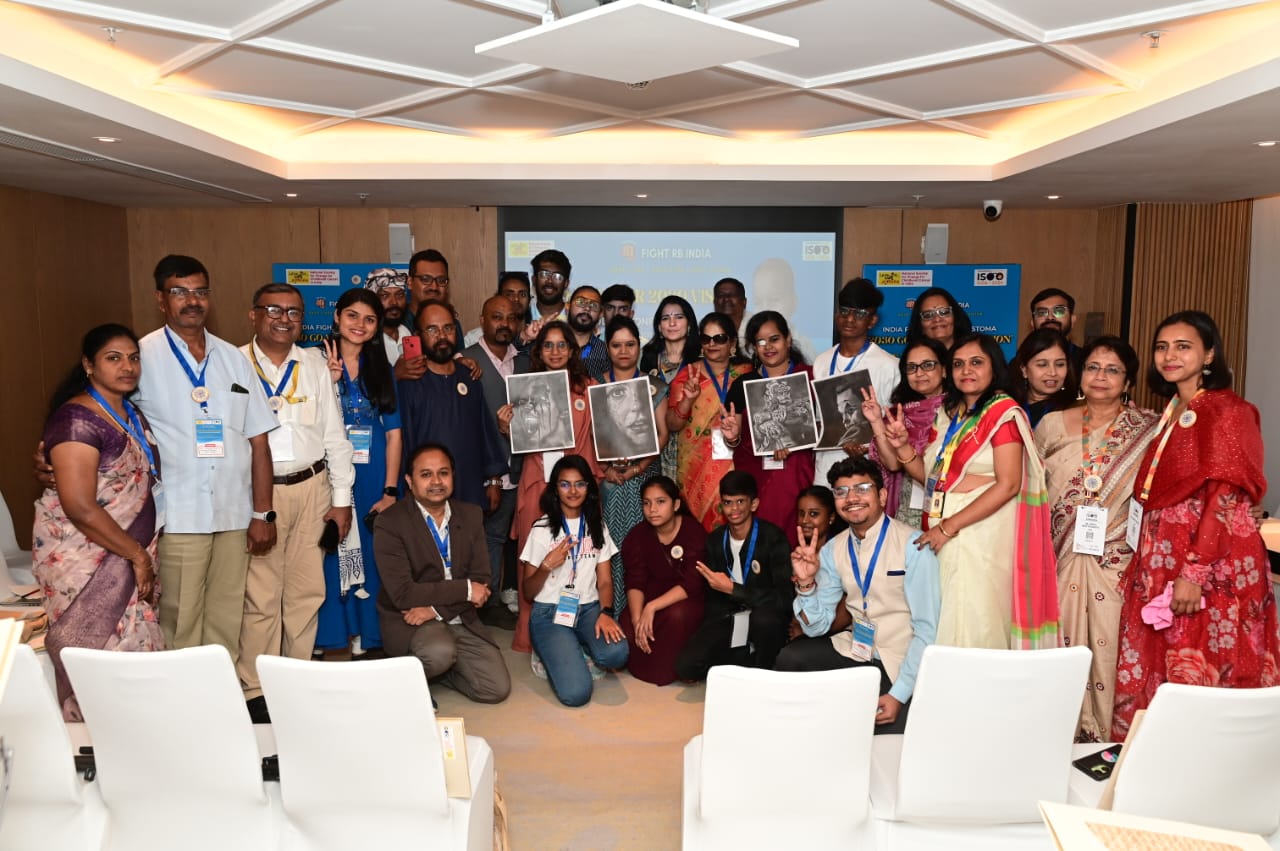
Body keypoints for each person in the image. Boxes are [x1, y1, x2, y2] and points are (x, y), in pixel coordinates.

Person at [1112, 311, 1280, 740]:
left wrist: (1194, 572)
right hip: (1165, 554)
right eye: (1162, 347)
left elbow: (1224, 496)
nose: (1169, 355)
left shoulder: (1228, 410)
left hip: (1209, 563)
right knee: (1163, 661)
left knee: (1205, 662)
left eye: (1183, 346)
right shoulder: (1174, 410)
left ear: (1208, 355)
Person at [137, 256, 277, 658]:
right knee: (180, 620)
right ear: (160, 299)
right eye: (180, 292)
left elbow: (259, 441)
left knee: (226, 618)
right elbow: (106, 415)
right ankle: (179, 696)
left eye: (200, 291)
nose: (192, 301)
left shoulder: (233, 358)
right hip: (179, 516)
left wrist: (263, 513)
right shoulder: (141, 357)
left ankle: (219, 692)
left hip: (234, 514)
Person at [881, 333, 1058, 649]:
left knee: (974, 622)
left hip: (980, 534)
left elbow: (1009, 484)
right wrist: (903, 446)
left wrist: (948, 528)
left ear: (994, 367)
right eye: (958, 364)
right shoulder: (949, 413)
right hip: (942, 529)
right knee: (944, 618)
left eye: (976, 362)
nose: (966, 370)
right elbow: (933, 479)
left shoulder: (1002, 414)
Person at [34, 324, 165, 720]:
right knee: (98, 654)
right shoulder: (76, 420)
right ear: (89, 365)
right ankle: (92, 738)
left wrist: (138, 554)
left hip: (128, 548)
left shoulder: (130, 412)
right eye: (114, 358)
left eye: (133, 358)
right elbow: (79, 506)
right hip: (85, 556)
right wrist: (137, 556)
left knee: (136, 651)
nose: (127, 366)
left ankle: (136, 733)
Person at [238, 283, 355, 722]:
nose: (284, 319)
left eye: (293, 312)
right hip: (257, 492)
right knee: (261, 595)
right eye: (273, 310)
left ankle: (297, 679)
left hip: (312, 488)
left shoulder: (315, 364)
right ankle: (256, 689)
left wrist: (341, 501)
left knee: (307, 591)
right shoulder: (233, 362)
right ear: (254, 315)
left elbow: (334, 435)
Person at [1035, 336, 1158, 742]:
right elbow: (1032, 490)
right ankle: (1061, 737)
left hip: (1117, 559)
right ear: (1080, 374)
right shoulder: (1053, 424)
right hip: (1059, 554)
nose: (1100, 376)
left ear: (1128, 382)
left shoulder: (1149, 430)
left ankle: (1108, 738)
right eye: (1092, 367)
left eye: (1112, 370)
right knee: (1062, 648)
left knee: (1111, 647)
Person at [777, 458, 942, 734]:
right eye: (841, 492)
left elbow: (927, 630)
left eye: (862, 489)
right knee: (791, 659)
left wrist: (899, 694)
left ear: (882, 496)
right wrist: (806, 584)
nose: (851, 498)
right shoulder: (833, 549)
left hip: (898, 660)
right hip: (855, 649)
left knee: (879, 734)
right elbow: (816, 627)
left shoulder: (914, 546)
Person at [374, 443, 511, 703]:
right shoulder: (390, 522)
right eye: (426, 474)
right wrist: (465, 590)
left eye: (443, 473)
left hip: (457, 615)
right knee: (438, 652)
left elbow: (482, 580)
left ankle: (440, 673)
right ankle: (407, 677)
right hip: (413, 620)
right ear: (409, 481)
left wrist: (436, 609)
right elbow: (403, 593)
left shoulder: (470, 515)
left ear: (453, 476)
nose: (436, 481)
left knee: (495, 689)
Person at [502, 320, 604, 653]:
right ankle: (531, 635)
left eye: (562, 345)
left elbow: (600, 438)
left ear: (572, 350)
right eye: (548, 345)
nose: (555, 351)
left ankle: (576, 632)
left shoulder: (588, 388)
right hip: (537, 483)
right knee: (534, 558)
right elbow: (520, 438)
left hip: (575, 488)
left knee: (578, 556)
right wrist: (507, 427)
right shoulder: (525, 390)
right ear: (539, 351)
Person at [315, 289, 403, 659]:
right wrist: (330, 381)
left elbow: (395, 434)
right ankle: (334, 633)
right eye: (352, 316)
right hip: (330, 473)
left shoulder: (382, 368)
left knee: (369, 552)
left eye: (369, 319)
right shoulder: (314, 361)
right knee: (332, 550)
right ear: (337, 317)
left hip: (373, 474)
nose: (359, 325)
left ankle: (368, 634)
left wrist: (390, 489)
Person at [520, 455, 628, 706]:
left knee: (617, 654)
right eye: (565, 484)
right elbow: (527, 591)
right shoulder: (541, 529)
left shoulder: (597, 526)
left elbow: (605, 581)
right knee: (576, 694)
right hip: (549, 613)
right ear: (555, 489)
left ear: (588, 488)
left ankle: (572, 647)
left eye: (580, 484)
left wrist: (606, 613)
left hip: (589, 609)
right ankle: (559, 650)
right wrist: (546, 565)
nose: (572, 491)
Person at [674, 471, 794, 679]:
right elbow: (712, 600)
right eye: (728, 502)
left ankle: (762, 670)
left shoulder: (773, 538)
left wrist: (734, 590)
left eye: (740, 501)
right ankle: (742, 659)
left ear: (754, 504)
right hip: (731, 617)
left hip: (766, 618)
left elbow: (784, 598)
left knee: (764, 621)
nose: (734, 509)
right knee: (686, 666)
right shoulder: (715, 540)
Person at [396, 300, 507, 511]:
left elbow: (484, 430)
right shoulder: (410, 382)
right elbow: (404, 441)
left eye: (448, 328)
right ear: (418, 335)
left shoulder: (469, 376)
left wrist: (494, 480)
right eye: (432, 330)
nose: (442, 336)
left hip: (470, 488)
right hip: (428, 492)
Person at [720, 311, 815, 546]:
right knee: (758, 543)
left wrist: (795, 441)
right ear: (754, 347)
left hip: (798, 475)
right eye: (760, 342)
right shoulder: (743, 385)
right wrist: (732, 437)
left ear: (788, 339)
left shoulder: (810, 377)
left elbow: (824, 428)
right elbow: (735, 440)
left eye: (774, 339)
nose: (768, 347)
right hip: (756, 477)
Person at [597, 316, 669, 617]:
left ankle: (638, 617)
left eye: (630, 344)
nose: (624, 351)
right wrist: (606, 469)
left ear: (639, 346)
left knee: (641, 550)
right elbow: (590, 434)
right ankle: (609, 615)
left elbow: (662, 434)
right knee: (607, 549)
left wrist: (637, 469)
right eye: (617, 345)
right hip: (607, 480)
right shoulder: (596, 385)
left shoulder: (654, 386)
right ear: (608, 348)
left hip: (644, 479)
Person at [463, 295, 526, 629]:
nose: (505, 324)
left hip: (519, 471)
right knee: (475, 541)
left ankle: (491, 603)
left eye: (511, 318)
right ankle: (475, 607)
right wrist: (490, 478)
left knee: (501, 537)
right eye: (497, 317)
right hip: (480, 473)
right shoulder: (466, 361)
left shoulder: (526, 363)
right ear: (482, 320)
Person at [811, 278, 901, 486]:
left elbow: (893, 423)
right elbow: (819, 420)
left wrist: (868, 445)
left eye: (859, 314)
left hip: (867, 469)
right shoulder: (821, 361)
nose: (849, 319)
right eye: (844, 311)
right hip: (825, 469)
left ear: (872, 321)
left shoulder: (888, 365)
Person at [665, 313, 750, 532]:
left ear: (732, 342)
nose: (712, 344)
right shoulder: (688, 375)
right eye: (706, 339)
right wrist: (688, 400)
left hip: (738, 461)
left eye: (719, 338)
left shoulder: (747, 374)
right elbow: (672, 424)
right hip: (696, 469)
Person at [620, 477, 707, 686]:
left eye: (660, 502)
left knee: (677, 616)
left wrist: (651, 607)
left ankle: (673, 668)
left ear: (676, 504)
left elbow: (692, 583)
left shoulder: (694, 532)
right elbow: (635, 581)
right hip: (650, 596)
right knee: (627, 627)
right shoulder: (637, 535)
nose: (652, 509)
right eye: (646, 503)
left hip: (685, 599)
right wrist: (637, 620)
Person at [863, 338, 949, 529]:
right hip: (908, 507)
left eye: (928, 365)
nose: (919, 373)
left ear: (944, 370)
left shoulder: (959, 411)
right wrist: (876, 421)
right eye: (911, 367)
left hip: (950, 504)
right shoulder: (900, 414)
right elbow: (893, 465)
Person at [640, 295, 700, 480]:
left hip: (692, 441)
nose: (672, 323)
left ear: (689, 324)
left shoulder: (700, 358)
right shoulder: (647, 357)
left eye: (679, 317)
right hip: (654, 443)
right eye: (666, 318)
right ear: (659, 327)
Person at [1010, 328, 1077, 429]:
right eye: (1042, 364)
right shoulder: (1008, 407)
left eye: (1060, 364)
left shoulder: (1074, 410)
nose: (1053, 372)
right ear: (1024, 370)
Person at [464, 271, 531, 348]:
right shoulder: (473, 339)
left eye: (522, 294)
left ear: (530, 300)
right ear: (498, 297)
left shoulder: (537, 335)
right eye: (509, 294)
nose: (516, 299)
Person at [363, 268, 412, 365]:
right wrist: (396, 373)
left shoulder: (406, 332)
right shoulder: (364, 339)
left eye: (399, 295)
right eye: (384, 295)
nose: (394, 302)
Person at [905, 287, 972, 351]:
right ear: (920, 325)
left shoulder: (974, 352)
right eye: (928, 315)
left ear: (956, 317)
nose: (937, 319)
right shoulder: (914, 358)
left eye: (944, 312)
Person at [566, 285, 609, 378]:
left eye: (594, 305)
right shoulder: (552, 344)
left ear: (600, 314)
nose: (587, 308)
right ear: (568, 306)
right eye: (581, 302)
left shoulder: (605, 352)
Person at [712, 278, 747, 347]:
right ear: (714, 302)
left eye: (732, 295)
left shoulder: (756, 326)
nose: (726, 299)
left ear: (744, 302)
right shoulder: (706, 327)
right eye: (721, 296)